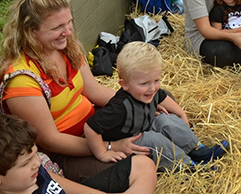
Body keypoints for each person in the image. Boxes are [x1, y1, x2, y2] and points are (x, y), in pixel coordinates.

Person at [0, 0, 156, 189]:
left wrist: (138, 101)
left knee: (150, 126)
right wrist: (108, 146)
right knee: (143, 167)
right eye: (57, 28)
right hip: (67, 153)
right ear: (31, 31)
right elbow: (50, 140)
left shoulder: (65, 49)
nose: (68, 32)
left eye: (69, 22)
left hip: (93, 129)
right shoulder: (22, 79)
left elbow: (95, 91)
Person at [84, 42, 228, 170]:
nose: (152, 88)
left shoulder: (149, 92)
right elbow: (90, 127)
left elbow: (162, 97)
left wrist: (181, 114)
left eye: (156, 80)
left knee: (166, 120)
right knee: (153, 139)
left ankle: (197, 149)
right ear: (124, 84)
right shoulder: (119, 108)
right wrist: (102, 152)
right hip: (130, 140)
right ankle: (185, 164)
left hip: (144, 126)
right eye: (144, 83)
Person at [0, 113, 155, 194]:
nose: (36, 163)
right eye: (25, 163)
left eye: (35, 155)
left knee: (144, 166)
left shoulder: (33, 174)